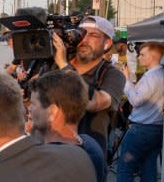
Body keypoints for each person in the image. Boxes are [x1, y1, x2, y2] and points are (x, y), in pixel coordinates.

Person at [105, 41, 164, 182]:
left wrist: (126, 81)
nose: (139, 57)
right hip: (156, 128)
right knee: (148, 172)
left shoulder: (152, 76)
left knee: (125, 169)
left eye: (142, 54)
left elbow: (136, 100)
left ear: (152, 57)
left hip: (141, 129)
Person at [53, 15, 125, 156]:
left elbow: (95, 103)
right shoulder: (55, 65)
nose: (84, 39)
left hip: (87, 158)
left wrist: (64, 66)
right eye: (81, 33)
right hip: (49, 153)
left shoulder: (112, 74)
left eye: (93, 35)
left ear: (107, 43)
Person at [29, 69, 105, 182]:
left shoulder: (47, 162)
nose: (29, 109)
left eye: (33, 104)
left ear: (52, 112)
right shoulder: (91, 145)